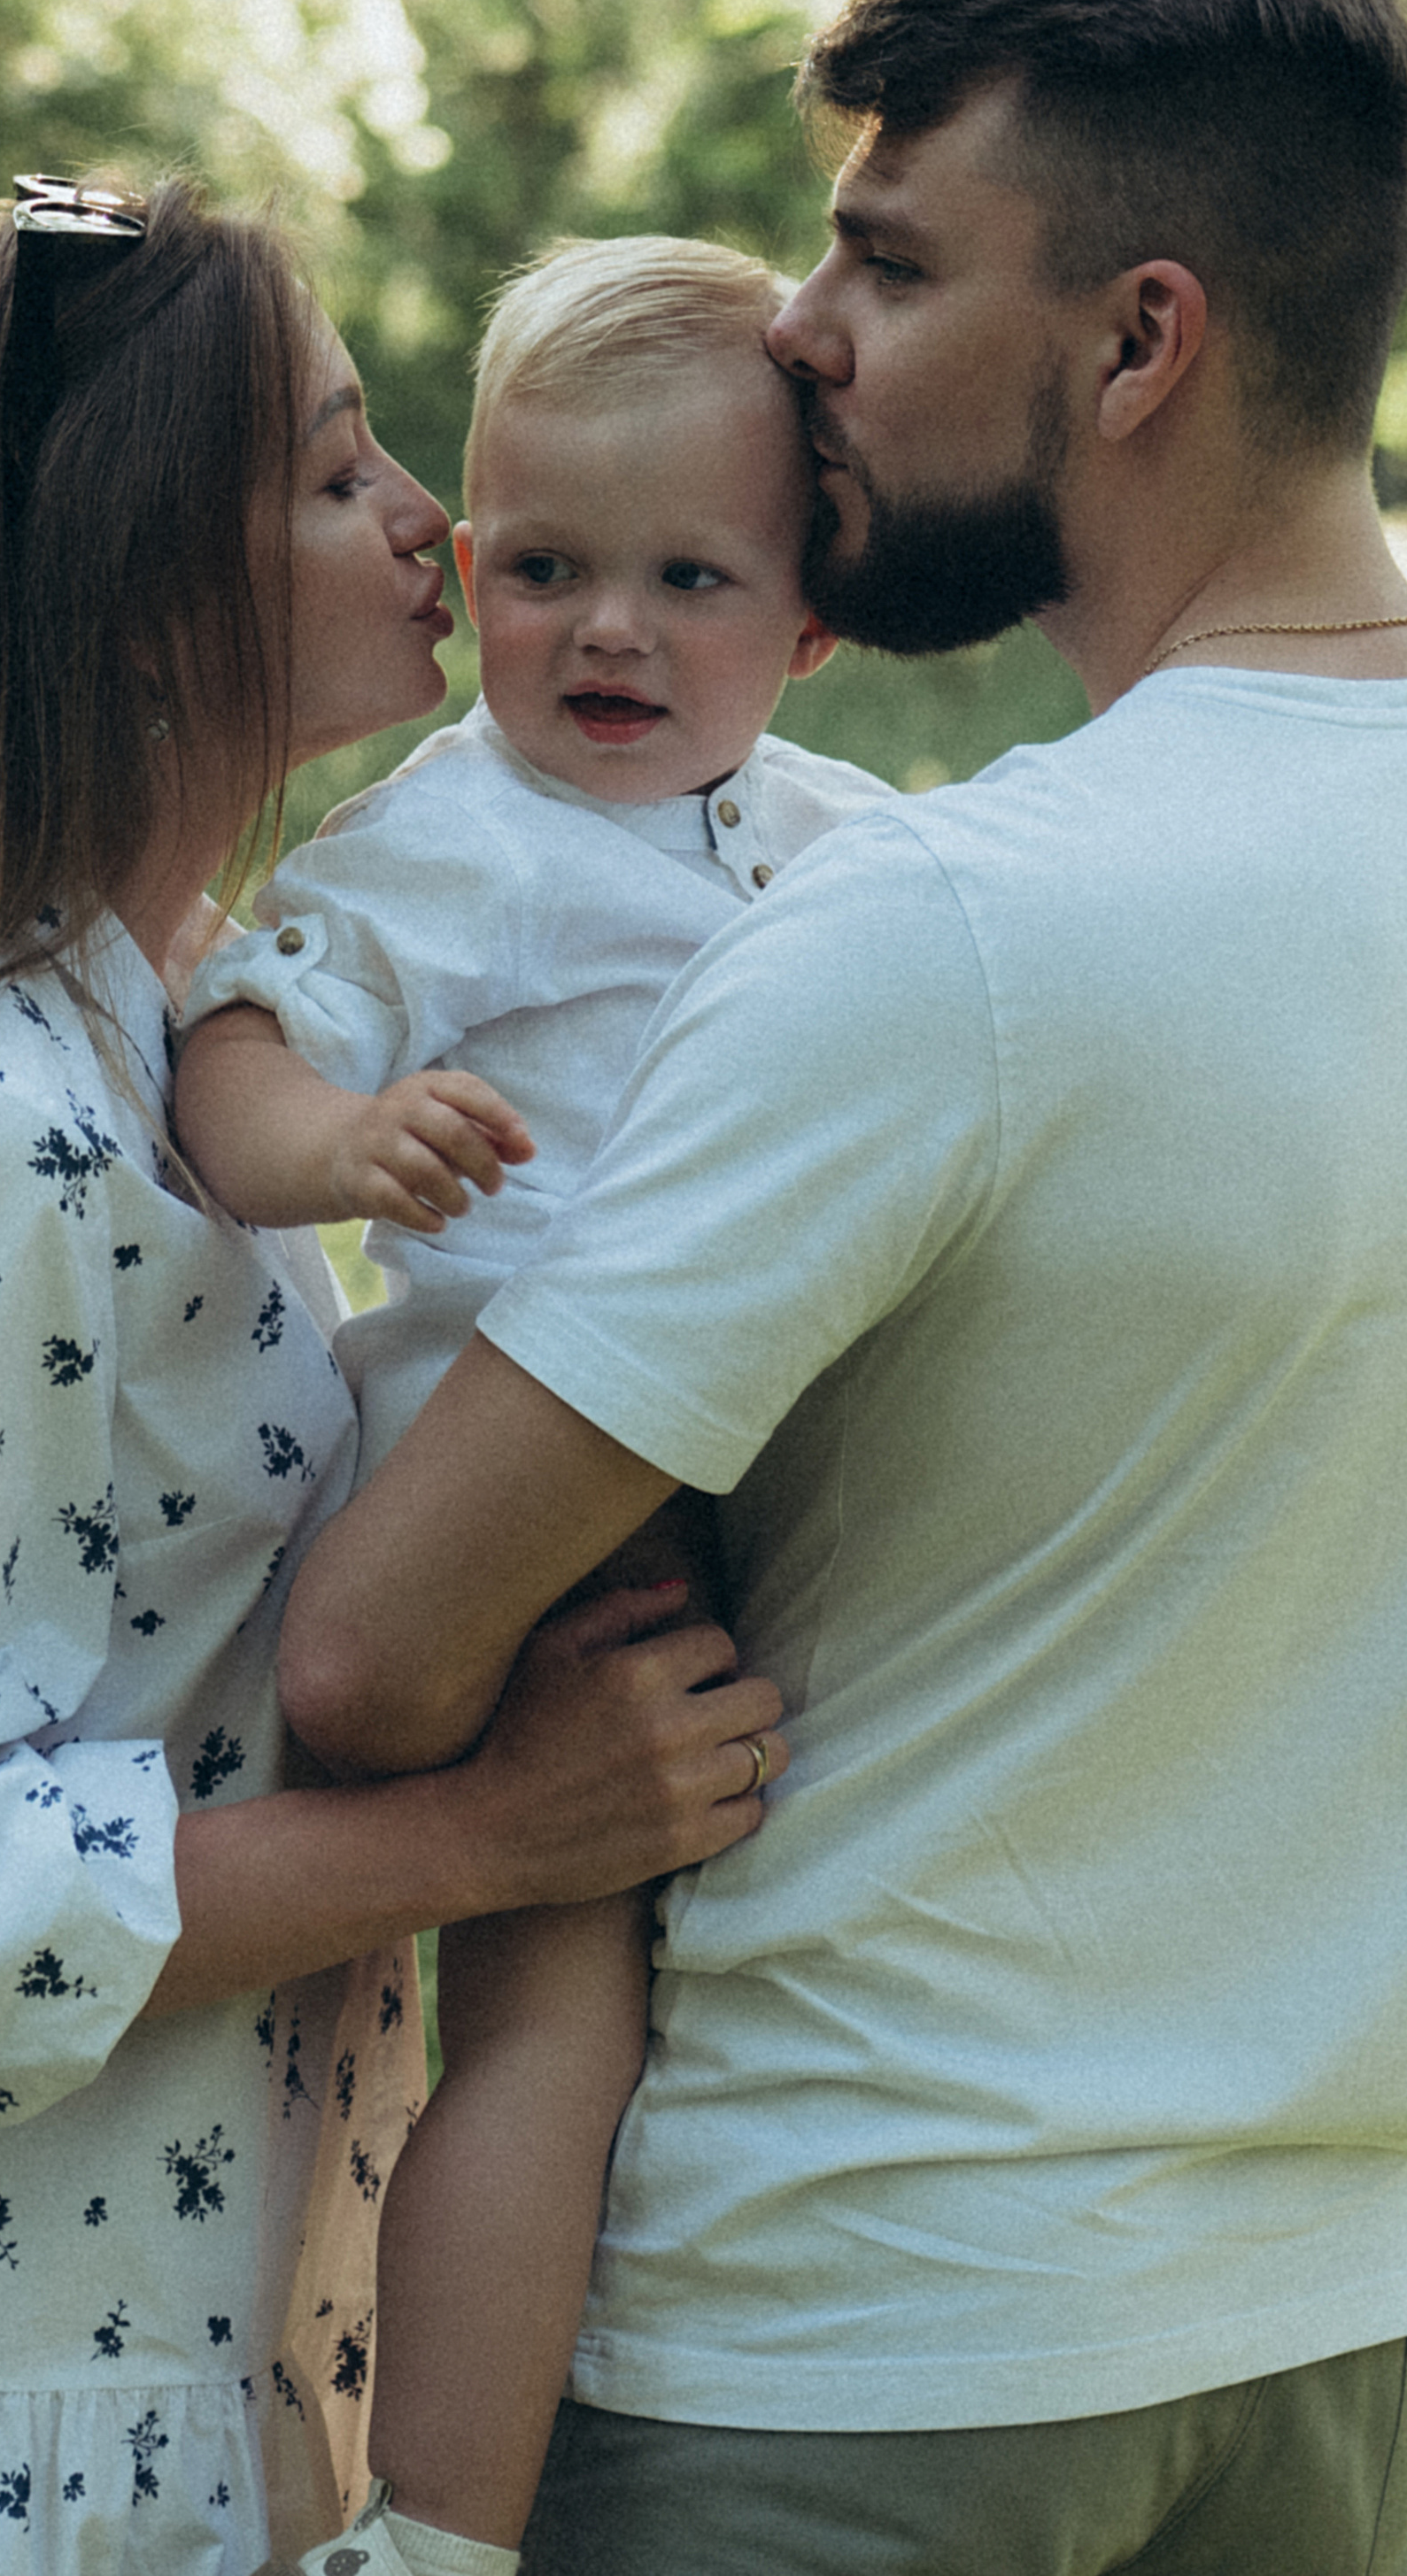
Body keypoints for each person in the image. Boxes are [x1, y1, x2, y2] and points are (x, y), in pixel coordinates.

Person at [274, 0, 1407, 2576]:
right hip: (1322, 2373)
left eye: (887, 259)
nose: (808, 337)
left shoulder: (933, 928)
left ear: (1140, 340)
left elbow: (388, 1658)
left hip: (833, 2368)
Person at [0, 174, 784, 2576]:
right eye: (332, 476)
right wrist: (489, 1841)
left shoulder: (151, 1036)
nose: (436, 524)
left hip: (89, 2354)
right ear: (132, 601)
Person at [171, 235, 884, 2576]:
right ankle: (442, 2531)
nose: (608, 631)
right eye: (547, 566)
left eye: (691, 577)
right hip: (513, 1487)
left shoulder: (839, 842)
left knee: (703, 2019)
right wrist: (340, 1153)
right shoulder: (455, 846)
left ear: (810, 622)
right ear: (467, 574)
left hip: (747, 1464)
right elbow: (250, 1041)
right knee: (548, 2030)